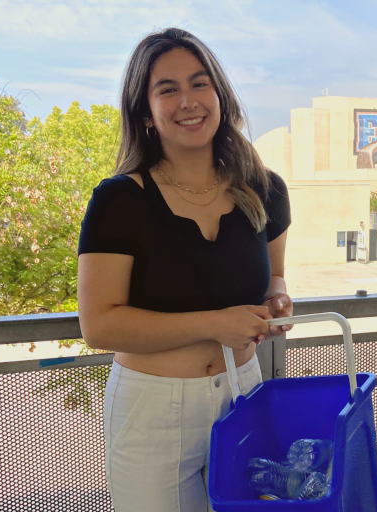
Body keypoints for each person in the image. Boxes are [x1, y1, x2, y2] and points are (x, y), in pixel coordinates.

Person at [76, 28, 292, 512]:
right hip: (152, 408)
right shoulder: (120, 201)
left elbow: (275, 277)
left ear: (220, 94)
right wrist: (214, 324)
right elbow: (100, 325)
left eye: (200, 83)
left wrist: (277, 299)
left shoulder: (266, 189)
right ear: (145, 112)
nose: (188, 101)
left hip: (244, 393)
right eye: (167, 89)